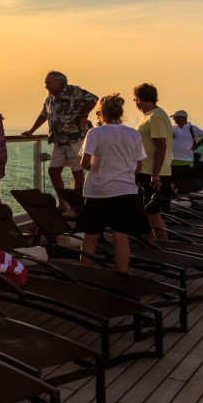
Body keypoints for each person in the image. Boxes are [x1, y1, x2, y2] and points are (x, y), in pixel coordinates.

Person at [76, 94, 151, 274]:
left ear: (102, 114)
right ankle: (121, 276)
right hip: (125, 192)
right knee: (121, 238)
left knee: (90, 238)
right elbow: (138, 166)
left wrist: (100, 166)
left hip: (98, 192)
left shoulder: (94, 133)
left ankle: (85, 277)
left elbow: (85, 164)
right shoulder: (133, 133)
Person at [21, 71, 97, 217]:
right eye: (46, 83)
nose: (46, 86)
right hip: (58, 140)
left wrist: (83, 115)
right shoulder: (50, 98)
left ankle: (77, 206)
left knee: (77, 172)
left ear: (60, 82)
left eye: (49, 83)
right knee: (53, 171)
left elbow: (93, 99)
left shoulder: (74, 91)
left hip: (75, 139)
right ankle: (62, 203)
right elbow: (44, 114)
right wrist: (31, 130)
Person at [133, 83, 173, 241]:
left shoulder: (156, 117)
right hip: (145, 170)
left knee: (154, 215)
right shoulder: (148, 116)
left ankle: (164, 250)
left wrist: (155, 175)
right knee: (147, 215)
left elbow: (161, 146)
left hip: (154, 173)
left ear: (139, 99)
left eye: (135, 99)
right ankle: (152, 246)